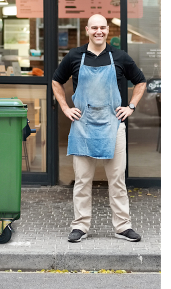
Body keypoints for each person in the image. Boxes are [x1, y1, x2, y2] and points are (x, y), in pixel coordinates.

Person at [52, 14, 146, 242]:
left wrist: (130, 107)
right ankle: (80, 226)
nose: (99, 31)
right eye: (94, 27)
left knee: (117, 180)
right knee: (83, 181)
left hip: (112, 127)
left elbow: (141, 82)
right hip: (83, 128)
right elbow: (56, 81)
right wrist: (65, 108)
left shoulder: (120, 57)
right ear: (87, 30)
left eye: (103, 27)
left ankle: (123, 226)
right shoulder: (75, 56)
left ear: (107, 30)